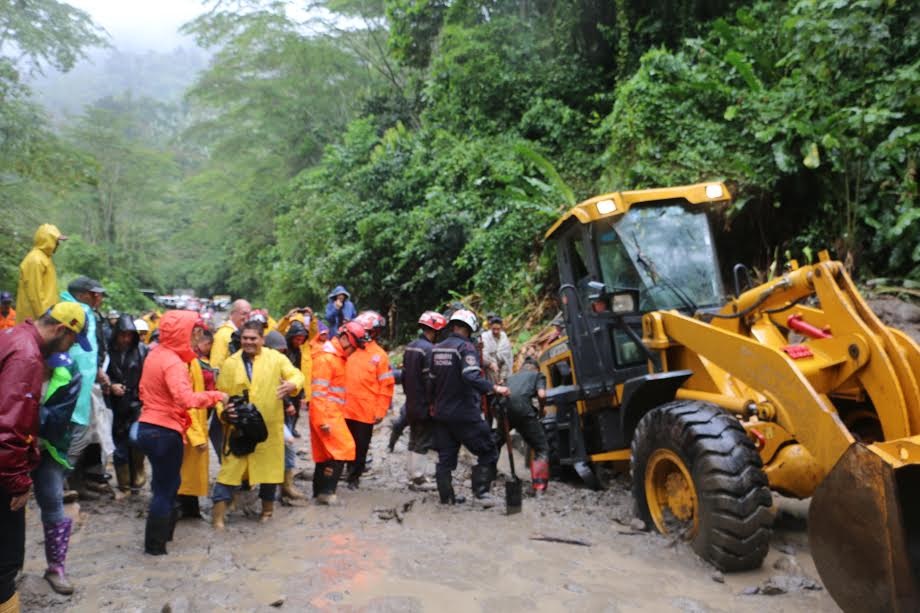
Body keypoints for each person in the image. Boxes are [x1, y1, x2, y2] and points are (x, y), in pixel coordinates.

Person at [0, 302, 89, 611]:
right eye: (73, 340)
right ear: (61, 330)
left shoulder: (15, 340)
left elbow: (55, 420)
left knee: (51, 501)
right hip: (11, 453)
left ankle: (55, 566)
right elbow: (10, 422)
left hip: (43, 447)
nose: (74, 346)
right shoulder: (26, 355)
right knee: (9, 538)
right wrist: (17, 479)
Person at [136, 311, 227, 555]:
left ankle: (163, 539)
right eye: (193, 333)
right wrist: (217, 396)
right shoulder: (174, 363)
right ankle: (156, 548)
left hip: (147, 427)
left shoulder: (155, 354)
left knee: (163, 485)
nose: (196, 338)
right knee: (166, 489)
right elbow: (185, 398)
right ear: (182, 334)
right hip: (165, 431)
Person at [211, 321, 304, 528]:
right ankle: (217, 519)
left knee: (269, 471)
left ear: (262, 339)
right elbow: (220, 396)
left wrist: (292, 385)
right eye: (245, 338)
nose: (249, 342)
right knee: (229, 471)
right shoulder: (230, 363)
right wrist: (224, 412)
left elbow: (296, 374)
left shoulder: (276, 359)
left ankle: (267, 512)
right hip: (239, 428)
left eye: (253, 338)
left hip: (268, 427)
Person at [429, 310, 509, 506]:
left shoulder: (438, 348)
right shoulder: (466, 348)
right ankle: (481, 493)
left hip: (442, 414)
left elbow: (430, 381)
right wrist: (494, 387)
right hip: (465, 413)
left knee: (445, 458)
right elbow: (471, 376)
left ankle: (446, 498)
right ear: (469, 328)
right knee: (488, 451)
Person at [32, 352, 82, 595]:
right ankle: (9, 568)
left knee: (53, 502)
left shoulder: (67, 372)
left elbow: (62, 418)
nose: (49, 369)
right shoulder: (20, 368)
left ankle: (56, 567)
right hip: (14, 445)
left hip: (48, 447)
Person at [60, 276, 105, 500]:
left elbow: (88, 351)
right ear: (82, 294)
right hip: (71, 383)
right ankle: (58, 485)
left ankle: (74, 483)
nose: (99, 298)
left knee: (84, 435)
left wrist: (98, 372)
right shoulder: (73, 311)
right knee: (76, 435)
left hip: (84, 382)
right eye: (95, 293)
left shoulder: (84, 311)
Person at [309, 322, 363, 505]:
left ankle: (320, 492)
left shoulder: (336, 357)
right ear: (345, 339)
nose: (354, 352)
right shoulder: (327, 359)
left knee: (326, 454)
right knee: (343, 448)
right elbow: (318, 393)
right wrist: (322, 420)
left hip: (331, 413)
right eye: (354, 348)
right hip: (326, 415)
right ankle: (326, 492)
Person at [343, 311, 394, 489]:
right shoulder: (347, 350)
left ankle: (354, 476)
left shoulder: (379, 355)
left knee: (361, 446)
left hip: (365, 411)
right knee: (343, 443)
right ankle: (345, 471)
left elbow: (386, 386)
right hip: (344, 408)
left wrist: (380, 411)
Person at [402, 311, 447, 490]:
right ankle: (418, 478)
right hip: (423, 402)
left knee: (414, 437)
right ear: (435, 330)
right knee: (423, 439)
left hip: (411, 401)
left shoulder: (411, 346)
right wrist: (432, 403)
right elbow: (429, 380)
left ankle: (412, 475)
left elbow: (404, 376)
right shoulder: (429, 350)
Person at [106, 315, 147, 495]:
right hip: (114, 405)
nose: (126, 339)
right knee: (119, 446)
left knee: (136, 439)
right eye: (122, 335)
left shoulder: (142, 351)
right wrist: (110, 386)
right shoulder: (107, 352)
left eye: (129, 335)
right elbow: (99, 374)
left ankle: (137, 475)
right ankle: (124, 486)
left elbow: (148, 377)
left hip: (136, 403)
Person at [264, 329, 306, 501]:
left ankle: (285, 486)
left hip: (282, 412)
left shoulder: (285, 359)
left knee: (287, 448)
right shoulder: (262, 365)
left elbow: (289, 381)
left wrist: (290, 402)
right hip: (269, 414)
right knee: (280, 448)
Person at [503, 357, 551, 494]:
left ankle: (486, 480)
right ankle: (539, 488)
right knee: (541, 449)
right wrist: (541, 410)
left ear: (522, 367)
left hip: (505, 412)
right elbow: (541, 395)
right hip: (525, 412)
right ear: (536, 368)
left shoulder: (510, 378)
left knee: (496, 442)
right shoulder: (537, 375)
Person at [15, 224, 67, 324]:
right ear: (48, 240)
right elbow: (35, 294)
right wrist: (45, 319)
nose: (58, 244)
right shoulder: (35, 260)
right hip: (35, 321)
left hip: (45, 316)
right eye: (56, 241)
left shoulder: (45, 258)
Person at [210, 299, 251, 372]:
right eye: (244, 314)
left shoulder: (241, 332)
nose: (247, 318)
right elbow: (216, 365)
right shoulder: (223, 334)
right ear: (232, 314)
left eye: (249, 314)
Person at [481, 314, 513, 384]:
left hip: (503, 368)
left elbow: (507, 357)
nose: (495, 331)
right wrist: (491, 363)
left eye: (498, 329)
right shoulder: (485, 336)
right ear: (490, 327)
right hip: (489, 369)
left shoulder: (504, 338)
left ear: (501, 328)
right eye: (493, 329)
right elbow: (483, 353)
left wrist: (502, 376)